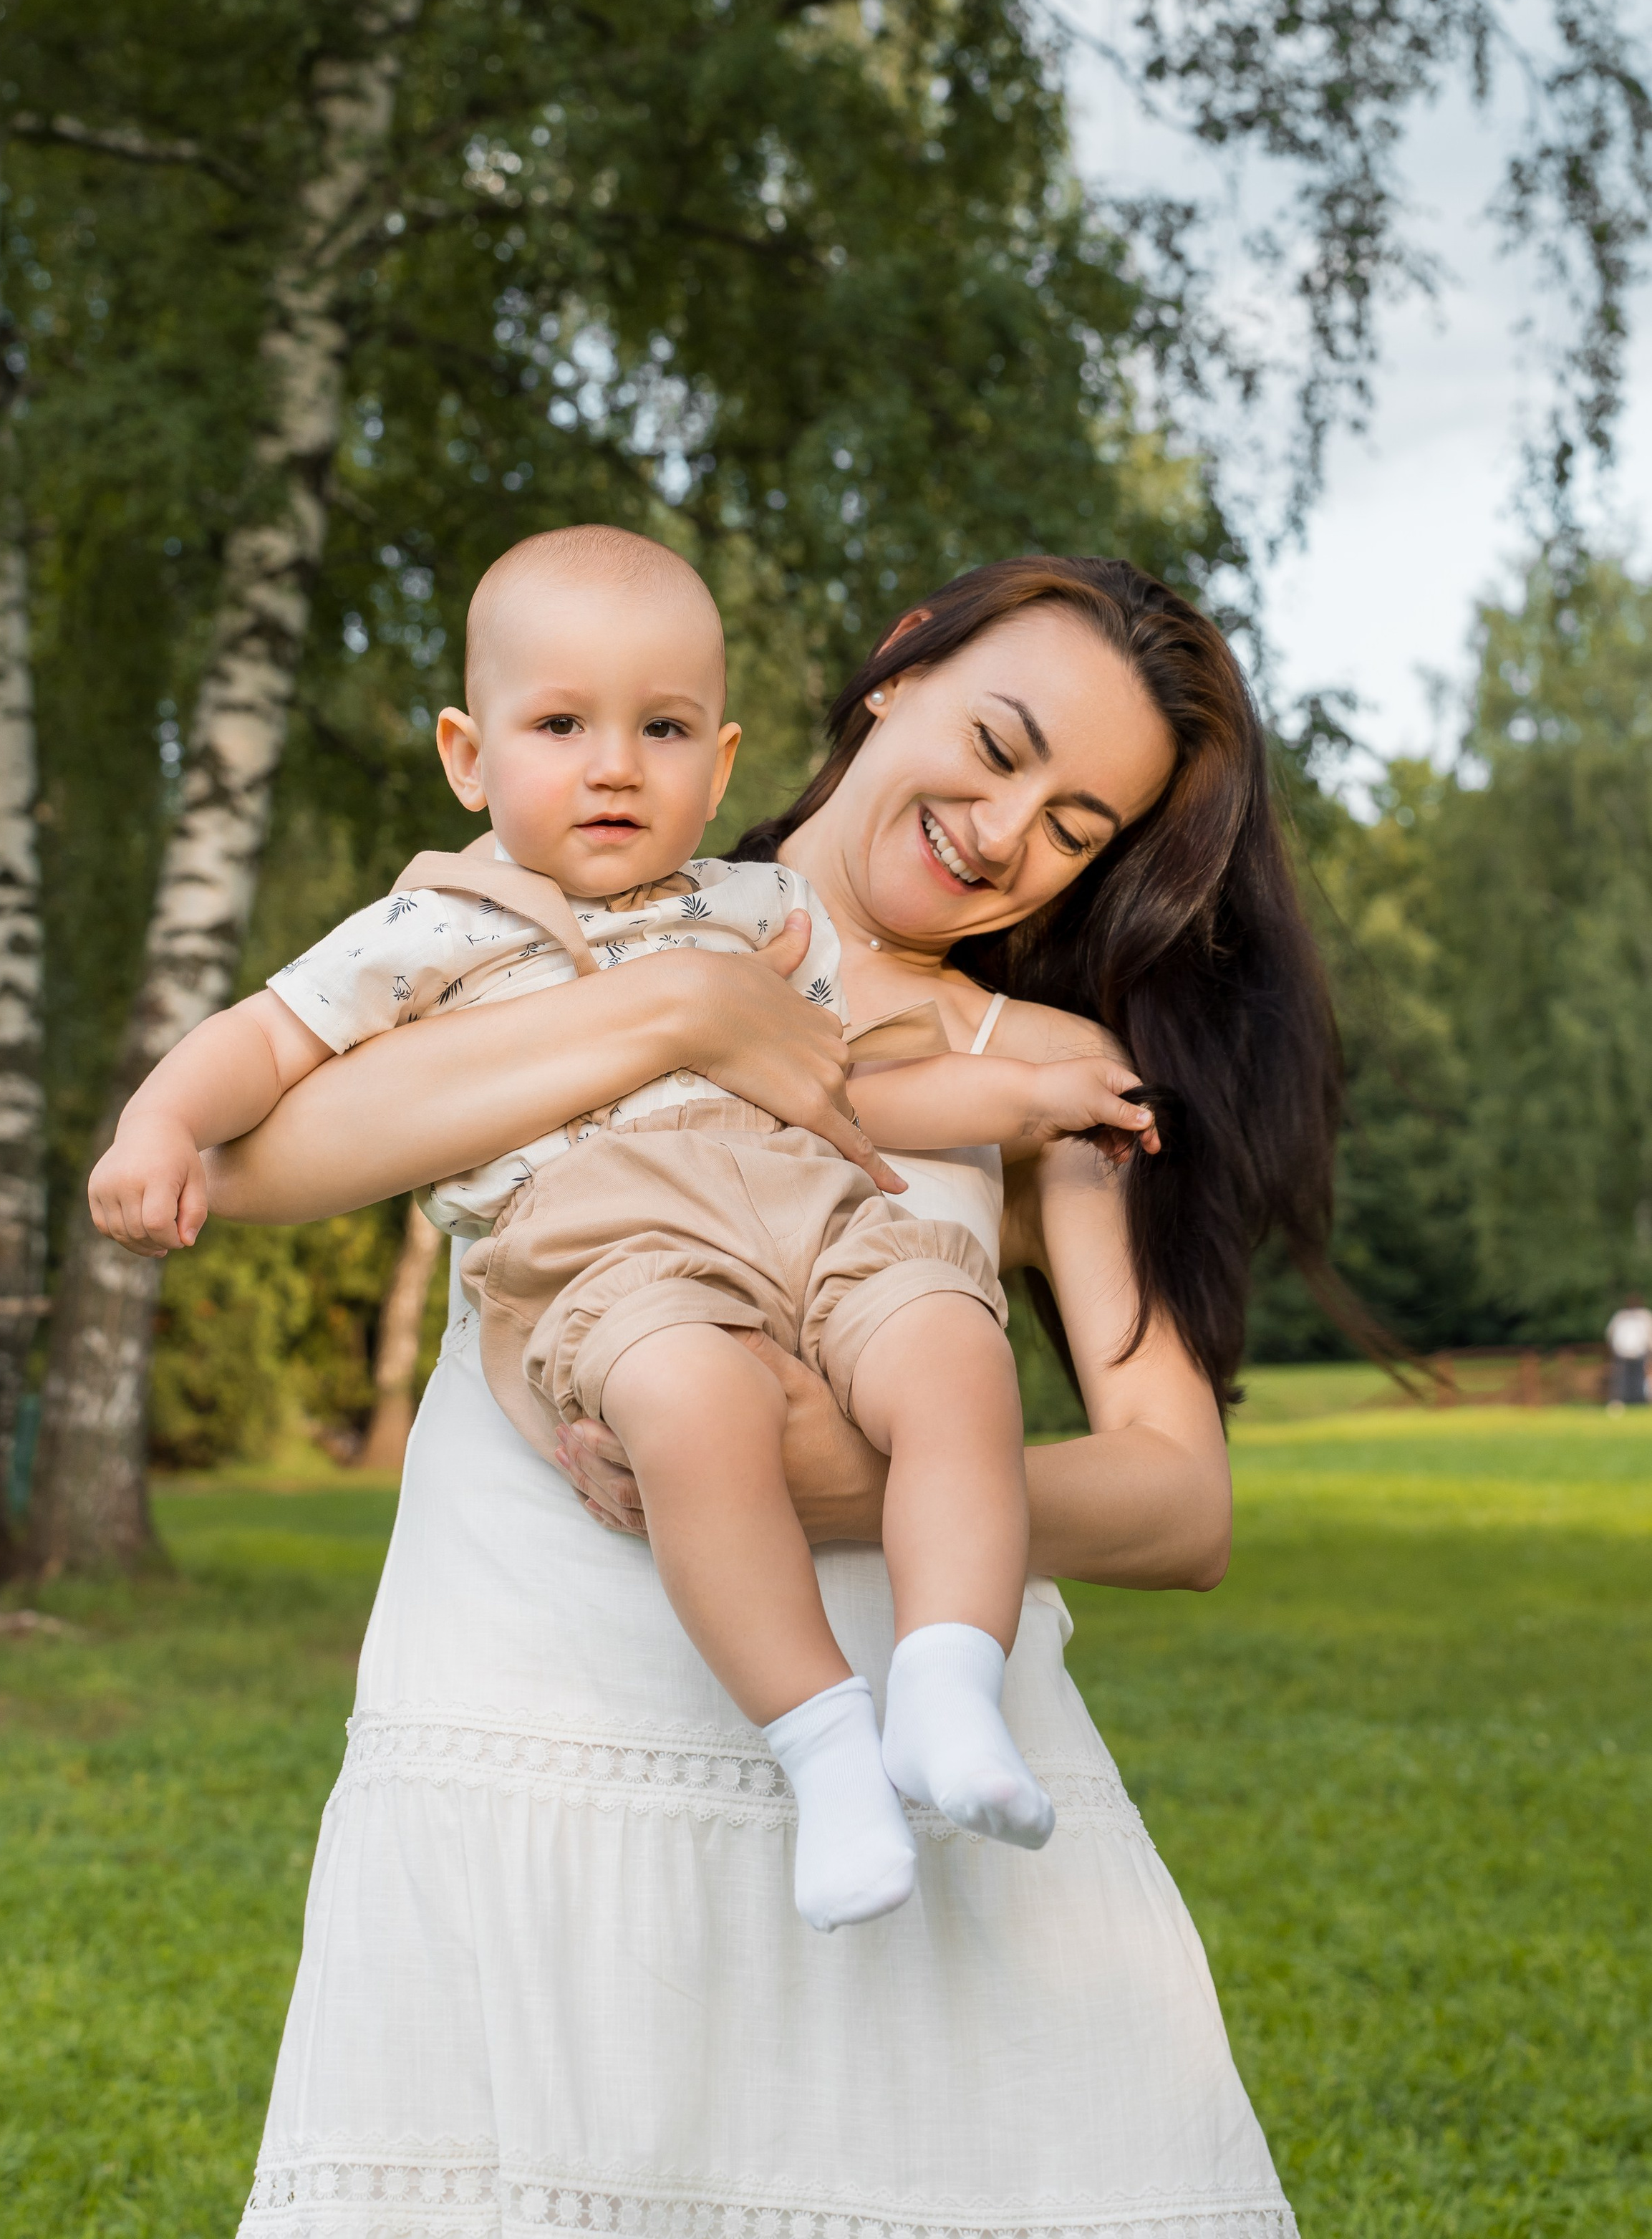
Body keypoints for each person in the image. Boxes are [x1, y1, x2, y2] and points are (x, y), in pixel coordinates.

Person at [185, 552, 1338, 2239]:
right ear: (894, 671)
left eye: (1077, 822)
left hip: (918, 1765)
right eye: (994, 742)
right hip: (532, 1737)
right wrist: (668, 1004)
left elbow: (1180, 1498)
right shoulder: (544, 916)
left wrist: (826, 1484)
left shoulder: (1023, 1064)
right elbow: (251, 1159)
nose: (1003, 828)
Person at [91, 529, 1160, 1927]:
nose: (611, 766)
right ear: (469, 759)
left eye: (658, 731)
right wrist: (158, 1127)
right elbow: (263, 1044)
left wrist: (1018, 1091)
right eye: (559, 726)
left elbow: (849, 1087)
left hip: (809, 1209)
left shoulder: (754, 907)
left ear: (716, 768)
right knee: (689, 1397)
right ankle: (826, 1745)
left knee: (955, 1347)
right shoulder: (434, 928)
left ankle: (946, 1682)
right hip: (620, 1252)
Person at [1605, 1295, 1651, 1410]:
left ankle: (1638, 1402)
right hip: (1622, 1354)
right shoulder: (1621, 1316)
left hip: (1640, 1354)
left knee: (1638, 1380)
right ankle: (1621, 1402)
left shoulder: (1645, 1316)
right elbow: (1611, 1333)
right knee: (1621, 1380)